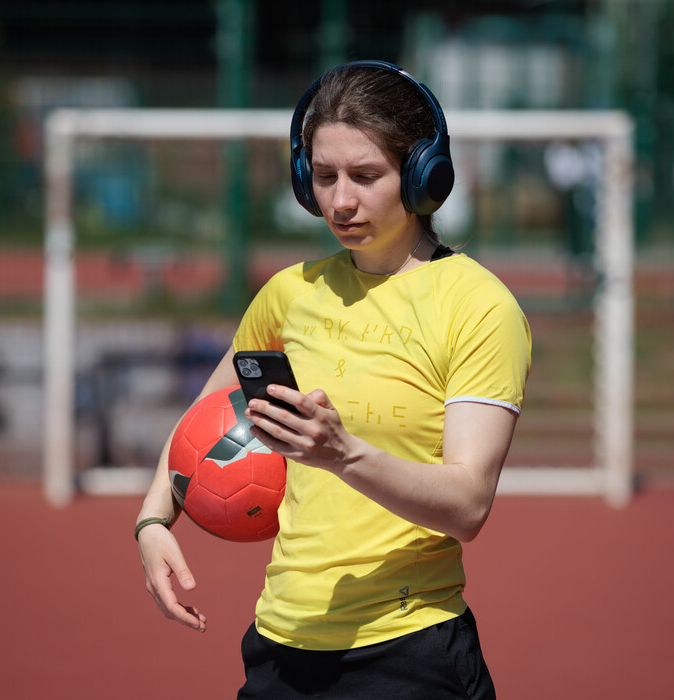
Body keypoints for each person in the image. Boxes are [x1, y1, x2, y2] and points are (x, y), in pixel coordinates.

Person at [135, 60, 531, 699]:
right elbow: (204, 417)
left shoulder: (479, 307)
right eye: (324, 177)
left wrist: (343, 454)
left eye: (367, 176)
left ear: (425, 175)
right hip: (280, 648)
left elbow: (467, 506)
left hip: (410, 653)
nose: (341, 201)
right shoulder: (290, 294)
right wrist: (154, 520)